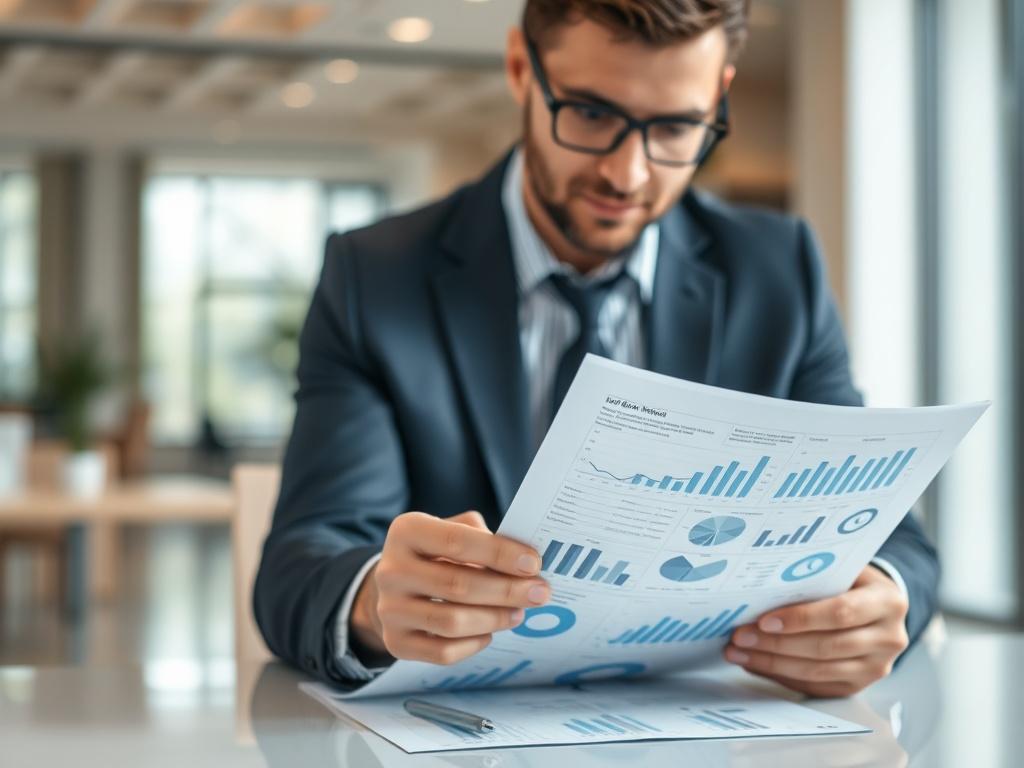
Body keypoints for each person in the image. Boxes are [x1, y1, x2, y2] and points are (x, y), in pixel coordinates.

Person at [254, 0, 937, 699]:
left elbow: (896, 541)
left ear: (719, 95)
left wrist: (875, 600)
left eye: (675, 127)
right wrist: (373, 603)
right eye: (590, 115)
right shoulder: (376, 278)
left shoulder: (777, 272)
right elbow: (301, 564)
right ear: (523, 70)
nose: (627, 175)